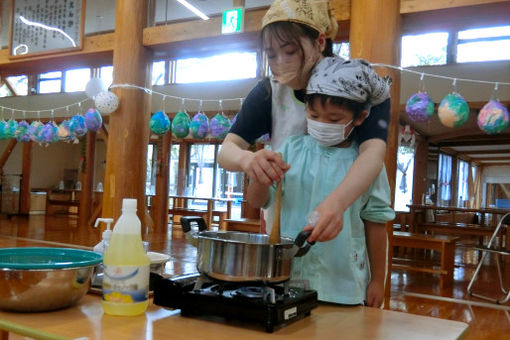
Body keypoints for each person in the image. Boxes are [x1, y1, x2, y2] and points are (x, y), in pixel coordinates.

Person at [218, 0, 391, 243]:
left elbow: (372, 154)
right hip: (286, 227)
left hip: (345, 235)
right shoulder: (268, 91)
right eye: (271, 55)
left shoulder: (359, 84)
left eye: (290, 52)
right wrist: (247, 160)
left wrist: (338, 202)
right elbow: (226, 150)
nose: (280, 63)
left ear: (320, 42)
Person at [246, 56, 395, 307]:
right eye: (313, 114)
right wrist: (259, 177)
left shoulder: (367, 165)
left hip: (343, 286)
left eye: (334, 119)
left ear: (359, 118)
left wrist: (378, 280)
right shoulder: (290, 150)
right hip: (285, 282)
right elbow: (257, 200)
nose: (321, 124)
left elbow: (376, 225)